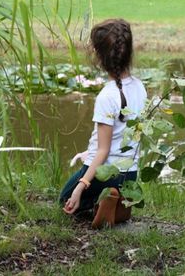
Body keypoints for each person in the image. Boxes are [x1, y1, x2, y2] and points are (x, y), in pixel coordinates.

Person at [60, 19, 146, 228]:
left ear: (99, 56)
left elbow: (103, 151)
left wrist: (80, 187)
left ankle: (102, 202)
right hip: (129, 174)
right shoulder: (140, 87)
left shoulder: (107, 96)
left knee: (65, 199)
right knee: (85, 185)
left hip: (106, 174)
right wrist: (88, 153)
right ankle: (120, 204)